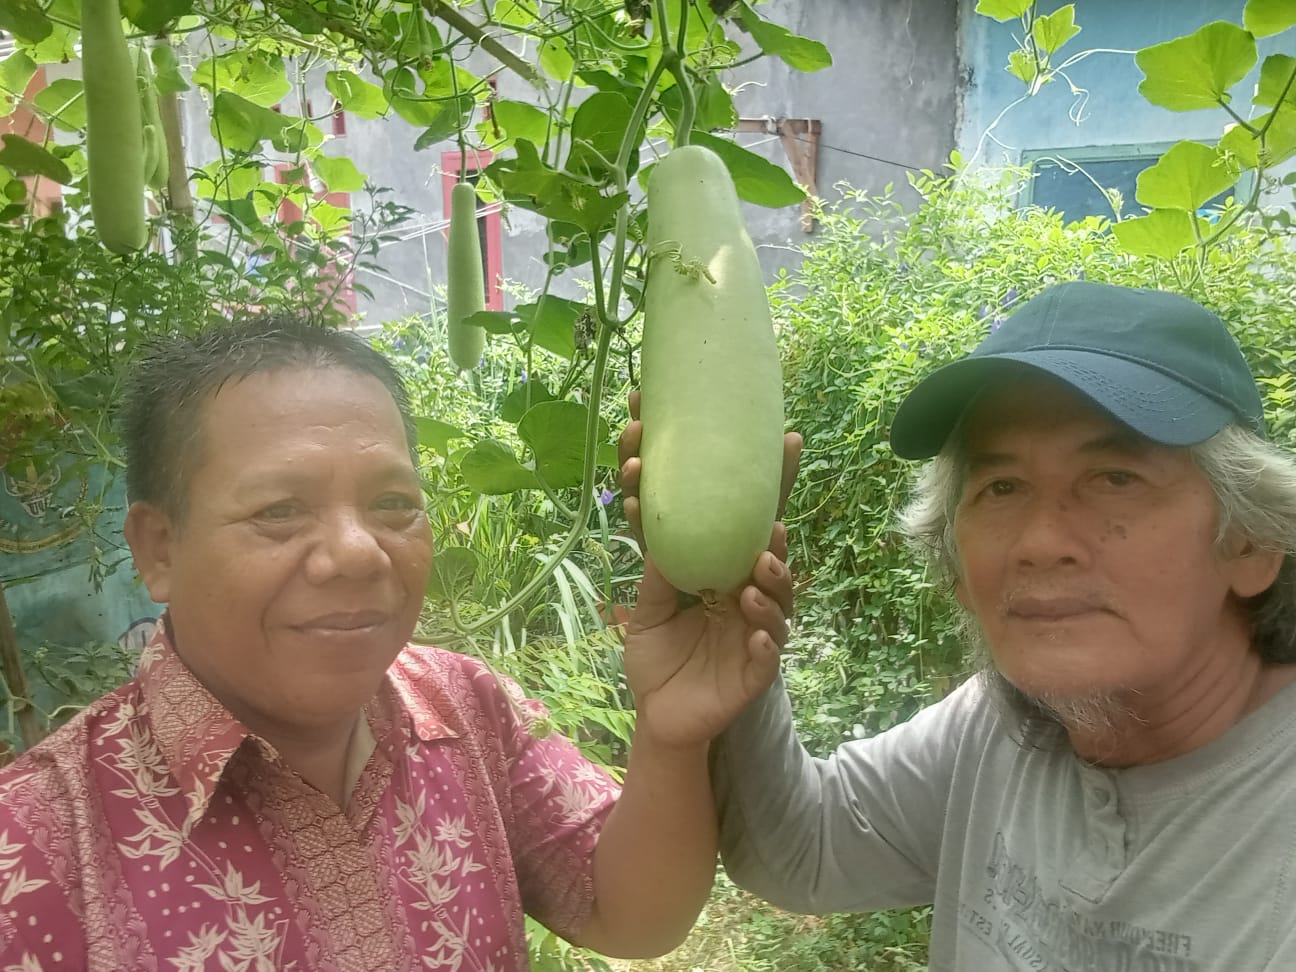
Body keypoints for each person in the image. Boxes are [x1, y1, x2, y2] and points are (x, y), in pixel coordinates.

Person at [0, 315, 792, 970]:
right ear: (159, 548)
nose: (357, 552)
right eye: (280, 509)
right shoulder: (33, 852)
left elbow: (630, 916)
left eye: (391, 502)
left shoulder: (469, 708)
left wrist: (670, 735)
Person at [622, 280, 1296, 970]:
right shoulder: (999, 730)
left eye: (1115, 477)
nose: (1039, 540)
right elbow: (804, 852)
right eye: (1001, 487)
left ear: (1251, 540)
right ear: (955, 568)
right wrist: (724, 612)